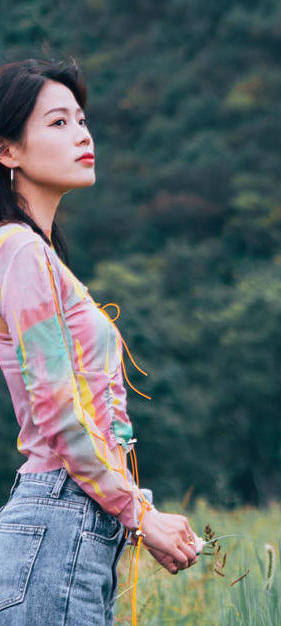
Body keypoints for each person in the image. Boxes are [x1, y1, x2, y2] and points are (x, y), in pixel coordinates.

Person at [0, 58, 199, 625]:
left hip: (72, 529)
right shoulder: (19, 250)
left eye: (82, 121)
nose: (82, 134)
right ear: (7, 150)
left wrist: (135, 519)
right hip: (57, 525)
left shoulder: (37, 256)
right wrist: (143, 515)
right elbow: (60, 417)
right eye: (58, 123)